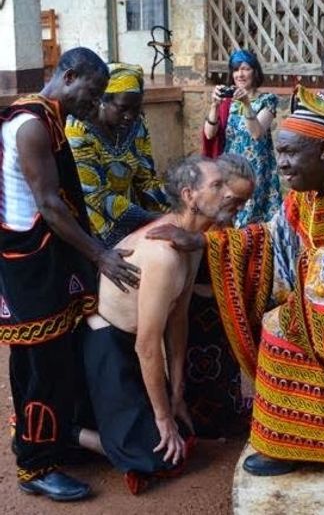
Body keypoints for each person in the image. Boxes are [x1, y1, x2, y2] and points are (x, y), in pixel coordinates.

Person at [147, 85, 324, 476]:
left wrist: (310, 292)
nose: (283, 164)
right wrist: (206, 242)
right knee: (275, 324)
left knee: (283, 331)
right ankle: (290, 442)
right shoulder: (304, 190)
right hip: (322, 296)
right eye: (280, 152)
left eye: (292, 153)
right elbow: (272, 237)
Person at [0, 47, 139, 502]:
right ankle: (35, 465)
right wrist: (100, 256)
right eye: (92, 92)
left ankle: (56, 443)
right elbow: (50, 205)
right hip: (28, 263)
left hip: (45, 258)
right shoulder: (33, 125)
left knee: (59, 360)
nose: (94, 102)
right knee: (39, 366)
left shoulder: (48, 120)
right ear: (69, 74)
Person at [72, 156, 237, 494]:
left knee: (183, 435)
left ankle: (120, 426)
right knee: (158, 456)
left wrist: (176, 395)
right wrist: (163, 419)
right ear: (190, 196)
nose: (229, 193)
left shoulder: (189, 241)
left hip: (133, 346)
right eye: (218, 186)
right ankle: (67, 431)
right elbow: (147, 346)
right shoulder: (163, 254)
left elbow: (178, 321)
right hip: (108, 343)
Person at [185, 153, 255, 438]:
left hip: (218, 306)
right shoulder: (195, 223)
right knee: (198, 368)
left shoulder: (222, 225)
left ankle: (223, 413)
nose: (238, 208)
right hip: (195, 308)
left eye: (242, 203)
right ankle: (199, 421)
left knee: (224, 366)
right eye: (233, 201)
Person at [66, 62, 169, 248]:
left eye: (136, 108)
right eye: (122, 108)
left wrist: (179, 205)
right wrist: (151, 219)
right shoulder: (78, 130)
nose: (130, 116)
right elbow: (95, 196)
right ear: (101, 101)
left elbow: (145, 180)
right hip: (91, 225)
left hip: (131, 213)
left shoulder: (137, 126)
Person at [203, 49, 281, 227]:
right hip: (230, 168)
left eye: (245, 69)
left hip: (256, 169)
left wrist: (247, 104)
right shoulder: (227, 101)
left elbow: (256, 133)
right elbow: (209, 134)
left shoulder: (267, 100)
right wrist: (215, 105)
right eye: (236, 70)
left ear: (255, 71)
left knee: (252, 219)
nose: (240, 74)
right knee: (229, 215)